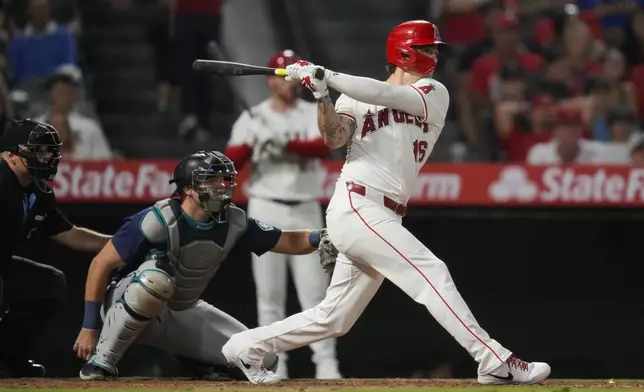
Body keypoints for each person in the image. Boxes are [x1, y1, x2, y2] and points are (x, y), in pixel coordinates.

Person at [221, 20, 551, 385]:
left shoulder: (433, 91)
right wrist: (321, 94)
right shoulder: (351, 96)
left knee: (334, 319)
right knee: (432, 272)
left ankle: (246, 345)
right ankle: (493, 359)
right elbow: (334, 137)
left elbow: (387, 96)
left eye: (434, 48)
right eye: (428, 48)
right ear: (404, 51)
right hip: (357, 203)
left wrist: (326, 75)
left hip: (385, 213)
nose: (435, 54)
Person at [73, 150, 339, 382]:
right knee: (155, 280)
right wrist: (89, 326)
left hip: (181, 308)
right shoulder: (157, 218)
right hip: (124, 303)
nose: (221, 186)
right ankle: (101, 361)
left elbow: (285, 240)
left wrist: (323, 236)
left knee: (261, 357)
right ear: (188, 187)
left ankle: (195, 359)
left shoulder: (233, 220)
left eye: (224, 180)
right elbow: (100, 265)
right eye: (210, 180)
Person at [223, 50, 340, 380]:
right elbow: (230, 163)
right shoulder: (253, 118)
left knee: (316, 292)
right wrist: (253, 144)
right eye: (282, 78)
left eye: (293, 78)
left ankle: (326, 363)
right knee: (270, 295)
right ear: (270, 81)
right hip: (265, 208)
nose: (289, 84)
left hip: (305, 207)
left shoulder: (312, 111)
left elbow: (324, 146)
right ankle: (274, 364)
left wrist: (284, 144)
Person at [0, 119, 111, 377]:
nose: (47, 157)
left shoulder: (38, 192)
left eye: (50, 151)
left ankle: (9, 357)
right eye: (38, 151)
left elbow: (70, 235)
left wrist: (121, 241)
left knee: (48, 283)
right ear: (10, 154)